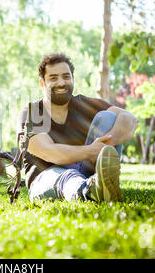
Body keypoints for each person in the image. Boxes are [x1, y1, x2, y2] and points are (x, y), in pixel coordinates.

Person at [18, 53, 139, 203]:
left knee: (109, 118)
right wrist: (91, 151)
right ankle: (88, 192)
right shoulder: (32, 113)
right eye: (53, 78)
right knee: (67, 176)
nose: (61, 82)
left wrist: (108, 142)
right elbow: (49, 152)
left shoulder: (83, 104)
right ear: (42, 83)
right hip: (46, 178)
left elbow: (130, 119)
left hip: (86, 171)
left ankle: (101, 184)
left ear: (73, 79)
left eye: (66, 77)